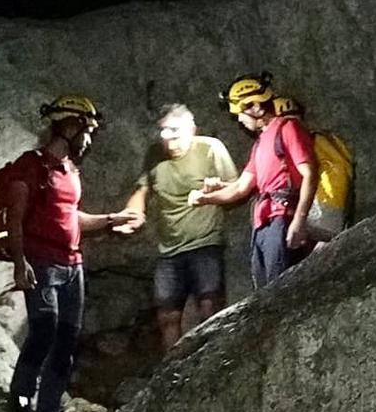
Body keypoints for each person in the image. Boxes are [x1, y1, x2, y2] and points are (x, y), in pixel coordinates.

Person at [5, 95, 141, 412]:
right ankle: (20, 408)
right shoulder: (30, 167)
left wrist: (112, 219)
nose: (90, 139)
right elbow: (15, 218)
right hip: (42, 264)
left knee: (65, 344)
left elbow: (72, 219)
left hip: (72, 265)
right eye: (87, 130)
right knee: (41, 336)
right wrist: (21, 263)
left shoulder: (70, 171)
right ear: (68, 126)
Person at [121, 104, 238, 351]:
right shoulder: (155, 154)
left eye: (176, 133)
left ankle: (215, 361)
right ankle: (171, 372)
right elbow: (143, 189)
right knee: (167, 315)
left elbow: (236, 188)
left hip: (205, 242)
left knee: (210, 308)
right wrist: (133, 213)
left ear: (191, 130)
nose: (171, 142)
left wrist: (215, 189)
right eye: (164, 133)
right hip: (169, 248)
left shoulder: (210, 149)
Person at [190, 73, 318, 288]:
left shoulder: (287, 128)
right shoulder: (260, 144)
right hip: (262, 224)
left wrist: (299, 220)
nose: (239, 119)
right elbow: (240, 188)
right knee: (263, 290)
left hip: (282, 219)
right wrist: (205, 198)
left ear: (257, 108)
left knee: (281, 289)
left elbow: (310, 173)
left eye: (241, 113)